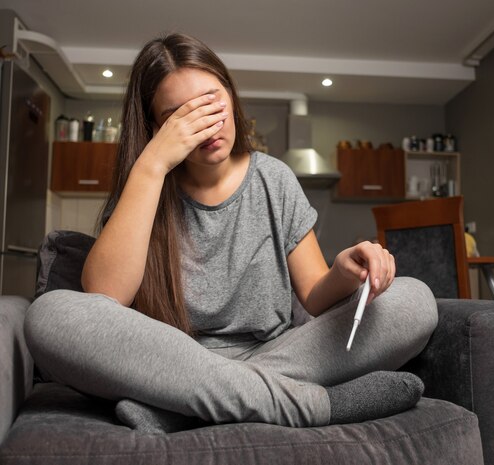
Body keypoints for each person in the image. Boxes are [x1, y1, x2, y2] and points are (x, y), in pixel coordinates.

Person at [24, 33, 438, 433]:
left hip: (275, 354)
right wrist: (151, 166)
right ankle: (313, 405)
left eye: (211, 100)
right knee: (49, 315)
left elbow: (314, 295)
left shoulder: (274, 178)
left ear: (230, 94)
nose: (206, 123)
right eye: (179, 116)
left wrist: (346, 273)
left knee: (415, 301)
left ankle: (185, 411)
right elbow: (105, 296)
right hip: (172, 366)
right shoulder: (146, 185)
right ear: (154, 128)